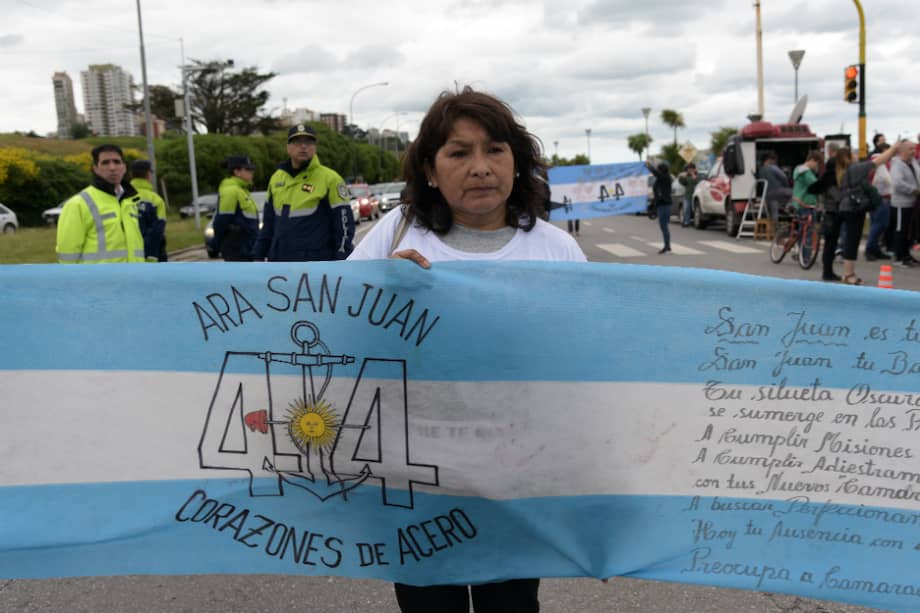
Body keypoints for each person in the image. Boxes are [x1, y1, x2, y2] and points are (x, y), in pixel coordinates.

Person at [348, 86, 585, 613]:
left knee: (512, 603)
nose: (480, 167)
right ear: (430, 171)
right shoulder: (394, 236)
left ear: (517, 163)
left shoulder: (556, 250)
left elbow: (585, 359)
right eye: (458, 153)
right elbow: (334, 328)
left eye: (495, 150)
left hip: (517, 474)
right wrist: (379, 292)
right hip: (416, 476)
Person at [253, 124, 355, 261]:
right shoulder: (276, 178)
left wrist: (342, 258)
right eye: (297, 142)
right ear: (288, 147)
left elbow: (344, 226)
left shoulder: (331, 179)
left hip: (315, 264)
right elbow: (268, 224)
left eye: (308, 142)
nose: (303, 146)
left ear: (315, 147)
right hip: (280, 262)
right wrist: (258, 255)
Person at [812, 144, 899, 284]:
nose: (856, 155)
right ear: (849, 157)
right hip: (853, 208)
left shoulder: (839, 171)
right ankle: (849, 274)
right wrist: (894, 149)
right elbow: (877, 162)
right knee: (852, 240)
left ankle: (834, 272)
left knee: (838, 241)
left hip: (840, 208)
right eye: (853, 153)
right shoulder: (854, 169)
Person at [56, 144, 146, 264]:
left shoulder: (132, 201)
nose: (112, 168)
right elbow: (67, 256)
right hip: (97, 276)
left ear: (124, 167)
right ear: (95, 169)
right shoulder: (77, 204)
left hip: (134, 275)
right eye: (105, 163)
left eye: (117, 162)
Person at [212, 155, 259, 262]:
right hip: (237, 251)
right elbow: (222, 221)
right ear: (237, 172)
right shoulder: (231, 191)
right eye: (247, 169)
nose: (252, 172)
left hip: (246, 249)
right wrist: (217, 244)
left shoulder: (242, 190)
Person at [129, 160, 167, 262]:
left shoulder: (121, 196)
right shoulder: (156, 200)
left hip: (127, 257)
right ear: (148, 174)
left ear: (131, 174)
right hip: (151, 257)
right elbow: (157, 231)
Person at [890, 140, 920, 267]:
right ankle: (899, 257)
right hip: (901, 204)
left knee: (909, 231)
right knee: (900, 230)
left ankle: (906, 254)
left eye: (914, 149)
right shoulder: (897, 164)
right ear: (902, 150)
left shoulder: (913, 162)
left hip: (912, 203)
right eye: (910, 149)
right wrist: (914, 190)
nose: (913, 151)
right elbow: (897, 183)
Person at [866, 144, 892, 261]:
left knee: (876, 224)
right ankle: (870, 248)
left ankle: (874, 249)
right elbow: (887, 179)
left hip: (876, 197)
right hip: (881, 197)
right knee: (880, 224)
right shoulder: (880, 162)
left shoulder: (875, 162)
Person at [645, 159, 673, 253]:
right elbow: (657, 192)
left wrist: (648, 165)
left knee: (664, 226)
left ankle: (667, 246)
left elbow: (655, 172)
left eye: (659, 169)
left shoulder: (665, 177)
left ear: (661, 170)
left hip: (664, 205)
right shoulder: (662, 178)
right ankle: (667, 245)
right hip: (662, 204)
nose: (657, 171)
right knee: (663, 226)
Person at [757, 152, 792, 222]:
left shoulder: (760, 170)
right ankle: (787, 207)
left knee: (773, 213)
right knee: (796, 194)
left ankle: (774, 227)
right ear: (769, 160)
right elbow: (784, 177)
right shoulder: (772, 167)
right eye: (774, 161)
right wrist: (787, 186)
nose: (775, 163)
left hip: (768, 195)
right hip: (778, 191)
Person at [677, 162, 699, 227]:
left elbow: (698, 183)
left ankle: (696, 222)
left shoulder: (697, 175)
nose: (690, 170)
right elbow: (682, 182)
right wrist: (682, 177)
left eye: (691, 169)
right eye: (689, 169)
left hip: (696, 195)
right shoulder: (687, 176)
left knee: (696, 209)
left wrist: (694, 176)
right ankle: (687, 222)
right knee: (686, 209)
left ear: (694, 169)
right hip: (688, 195)